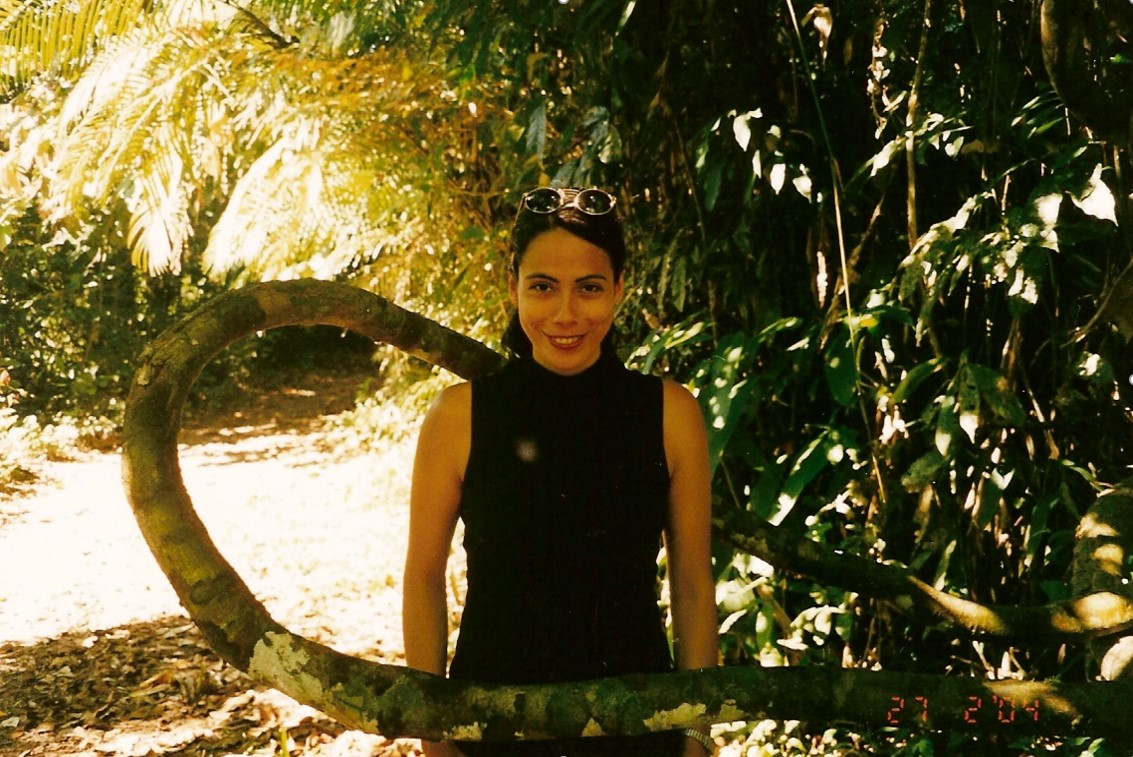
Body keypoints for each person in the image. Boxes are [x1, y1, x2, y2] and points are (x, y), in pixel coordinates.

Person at [402, 186, 718, 756]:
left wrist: (696, 733)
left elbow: (693, 583)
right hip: (492, 727)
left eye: (590, 288)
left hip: (638, 729)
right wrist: (433, 733)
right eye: (543, 286)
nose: (566, 314)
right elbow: (423, 576)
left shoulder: (671, 412)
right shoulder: (458, 416)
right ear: (514, 287)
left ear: (619, 289)